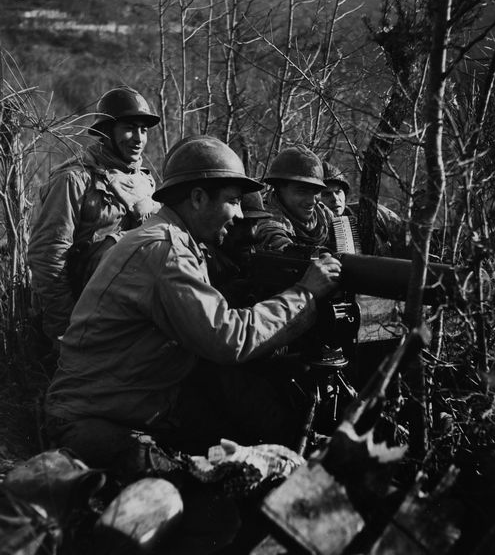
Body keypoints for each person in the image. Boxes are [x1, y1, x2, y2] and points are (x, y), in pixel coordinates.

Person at [44, 135, 342, 476]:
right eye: (232, 201)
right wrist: (305, 293)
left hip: (130, 401)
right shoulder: (165, 249)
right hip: (94, 420)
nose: (240, 213)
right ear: (198, 198)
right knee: (208, 502)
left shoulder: (173, 238)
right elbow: (228, 337)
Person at [28, 85, 161, 346]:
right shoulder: (74, 179)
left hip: (140, 306)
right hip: (89, 311)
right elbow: (48, 256)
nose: (138, 138)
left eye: (143, 130)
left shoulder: (145, 180)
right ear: (107, 132)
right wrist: (64, 331)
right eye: (129, 128)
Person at [320, 160, 407, 257]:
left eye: (338, 192)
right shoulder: (312, 227)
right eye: (326, 194)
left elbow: (405, 237)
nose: (335, 199)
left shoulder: (372, 212)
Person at [256, 145, 335, 252]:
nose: (311, 201)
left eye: (316, 192)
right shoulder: (266, 217)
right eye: (302, 191)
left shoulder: (323, 214)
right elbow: (275, 240)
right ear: (279, 188)